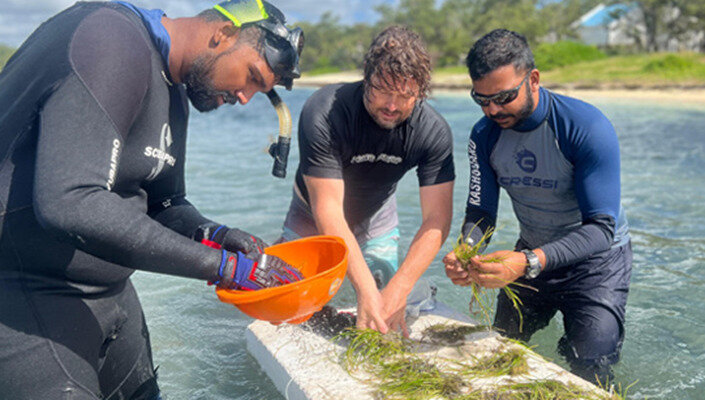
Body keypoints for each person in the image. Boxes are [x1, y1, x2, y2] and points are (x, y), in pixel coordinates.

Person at [0, 0, 304, 398]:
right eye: (251, 77)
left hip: (110, 297)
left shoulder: (175, 89)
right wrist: (223, 267)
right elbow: (71, 202)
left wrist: (217, 235)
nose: (245, 97)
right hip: (25, 293)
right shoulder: (110, 38)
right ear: (223, 34)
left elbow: (164, 203)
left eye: (258, 91)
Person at [443, 29, 632, 384]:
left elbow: (601, 229)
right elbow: (481, 213)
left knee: (590, 369)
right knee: (500, 349)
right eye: (481, 99)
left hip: (596, 264)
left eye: (504, 97)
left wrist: (526, 262)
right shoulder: (483, 135)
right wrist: (467, 249)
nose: (492, 109)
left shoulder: (586, 127)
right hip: (531, 254)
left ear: (533, 80)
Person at [280, 26, 455, 336]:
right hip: (312, 211)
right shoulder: (325, 111)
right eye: (383, 90)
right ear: (366, 74)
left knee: (386, 295)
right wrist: (363, 289)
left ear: (420, 92)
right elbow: (328, 209)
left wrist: (400, 287)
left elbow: (436, 219)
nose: (392, 105)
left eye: (406, 96)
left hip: (377, 212)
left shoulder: (433, 132)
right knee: (289, 300)